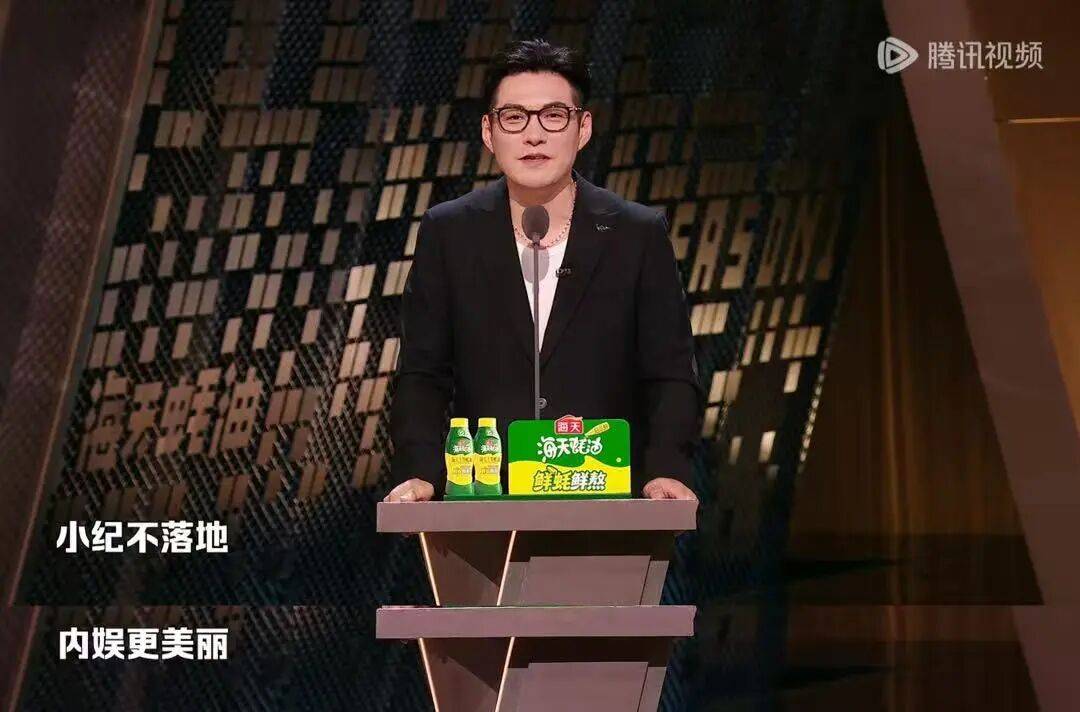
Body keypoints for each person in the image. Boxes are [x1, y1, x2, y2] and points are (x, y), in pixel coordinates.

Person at [384, 39, 703, 503]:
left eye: (554, 116)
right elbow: (423, 374)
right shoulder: (449, 232)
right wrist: (420, 473)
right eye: (514, 117)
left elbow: (670, 372)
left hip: (607, 497)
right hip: (485, 497)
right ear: (489, 132)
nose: (534, 135)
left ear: (583, 127)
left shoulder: (636, 233)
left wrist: (666, 470)